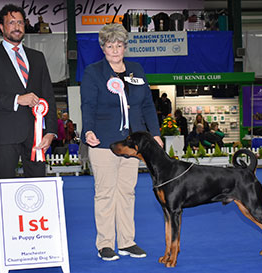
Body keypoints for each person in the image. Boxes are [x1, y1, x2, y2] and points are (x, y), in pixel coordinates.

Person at [80, 23, 163, 261]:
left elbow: (147, 104)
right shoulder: (93, 72)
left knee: (127, 192)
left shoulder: (137, 69)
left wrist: (155, 133)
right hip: (104, 141)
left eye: (119, 45)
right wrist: (88, 131)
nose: (115, 50)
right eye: (109, 46)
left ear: (125, 46)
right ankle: (105, 244)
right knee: (105, 193)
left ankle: (127, 241)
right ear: (102, 48)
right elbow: (88, 105)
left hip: (132, 146)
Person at [0, 4, 57, 178]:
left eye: (20, 23)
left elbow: (48, 95)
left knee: (38, 189)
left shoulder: (38, 57)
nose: (17, 27)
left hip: (36, 137)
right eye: (11, 22)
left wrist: (50, 131)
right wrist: (16, 99)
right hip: (3, 136)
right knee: (5, 188)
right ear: (1, 27)